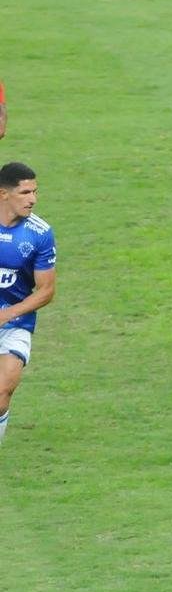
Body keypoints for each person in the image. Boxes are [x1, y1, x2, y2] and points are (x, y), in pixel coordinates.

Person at [0, 162, 57, 445]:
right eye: (24, 192)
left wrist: (7, 314)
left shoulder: (40, 233)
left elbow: (46, 291)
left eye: (35, 191)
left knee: (2, 393)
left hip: (15, 323)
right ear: (3, 194)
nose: (32, 199)